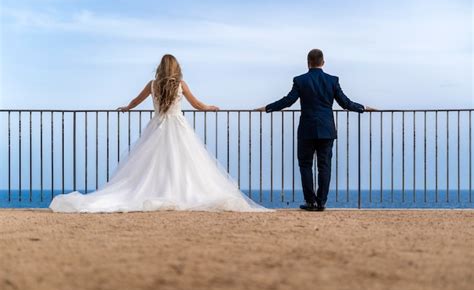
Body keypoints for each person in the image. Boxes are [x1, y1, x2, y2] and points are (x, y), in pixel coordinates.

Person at [49, 54, 270, 213]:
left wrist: (126, 108)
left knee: (151, 165)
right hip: (178, 127)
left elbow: (134, 102)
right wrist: (210, 107)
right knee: (183, 165)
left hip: (157, 127)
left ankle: (157, 192)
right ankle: (175, 192)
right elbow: (197, 105)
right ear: (176, 68)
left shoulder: (153, 84)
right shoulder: (180, 84)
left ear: (160, 68)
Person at [255, 49, 376, 211]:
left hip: (307, 129)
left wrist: (267, 108)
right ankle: (321, 203)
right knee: (324, 166)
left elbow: (288, 101)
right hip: (327, 130)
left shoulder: (300, 80)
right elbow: (345, 103)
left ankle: (310, 202)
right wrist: (363, 108)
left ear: (308, 62)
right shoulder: (332, 80)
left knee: (305, 165)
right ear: (323, 62)